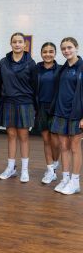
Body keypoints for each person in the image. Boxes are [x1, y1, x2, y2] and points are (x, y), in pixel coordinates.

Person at [0, 32, 36, 183]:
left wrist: (34, 107)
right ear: (11, 43)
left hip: (25, 103)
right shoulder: (3, 62)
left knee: (24, 137)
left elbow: (35, 85)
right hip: (8, 102)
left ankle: (25, 170)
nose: (17, 44)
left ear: (24, 44)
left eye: (20, 42)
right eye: (15, 41)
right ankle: (11, 168)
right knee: (11, 136)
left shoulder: (30, 63)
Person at [50, 37, 83, 195]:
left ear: (76, 47)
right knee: (63, 147)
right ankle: (65, 178)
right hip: (61, 112)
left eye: (69, 47)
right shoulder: (62, 69)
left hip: (77, 114)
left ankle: (75, 182)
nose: (66, 51)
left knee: (75, 148)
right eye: (63, 48)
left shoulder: (82, 67)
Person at [35, 42, 61, 184]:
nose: (48, 54)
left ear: (55, 53)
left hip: (56, 109)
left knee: (56, 142)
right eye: (45, 51)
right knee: (46, 140)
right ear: (41, 53)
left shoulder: (60, 70)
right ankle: (50, 170)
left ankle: (55, 165)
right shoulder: (37, 69)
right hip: (41, 108)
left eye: (51, 51)